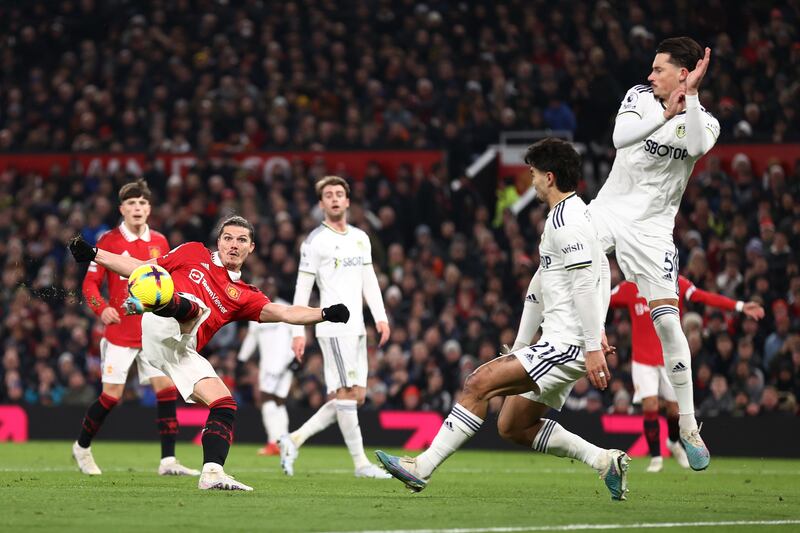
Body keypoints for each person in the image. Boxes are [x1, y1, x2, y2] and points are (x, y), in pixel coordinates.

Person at [376, 138, 630, 501]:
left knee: (477, 383)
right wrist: (525, 345)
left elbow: (586, 282)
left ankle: (422, 467)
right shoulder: (575, 216)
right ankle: (605, 460)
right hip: (562, 342)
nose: (531, 181)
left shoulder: (567, 222)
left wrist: (592, 344)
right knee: (513, 425)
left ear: (550, 177)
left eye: (533, 174)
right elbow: (553, 282)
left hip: (567, 343)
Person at [68, 215, 350, 491]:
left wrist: (324, 313)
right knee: (192, 306)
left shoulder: (246, 295)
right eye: (228, 238)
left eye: (241, 240)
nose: (233, 245)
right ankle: (155, 302)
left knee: (224, 403)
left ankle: (212, 473)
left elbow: (287, 312)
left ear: (251, 247)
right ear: (219, 241)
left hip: (180, 349)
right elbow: (142, 268)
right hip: (160, 325)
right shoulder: (193, 253)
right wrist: (95, 254)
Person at [587, 37, 720, 470]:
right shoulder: (639, 97)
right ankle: (523, 343)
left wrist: (692, 99)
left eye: (659, 69)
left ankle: (688, 425)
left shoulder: (707, 122)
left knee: (667, 321)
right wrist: (664, 113)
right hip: (609, 210)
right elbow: (619, 136)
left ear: (683, 74)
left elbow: (697, 146)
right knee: (557, 250)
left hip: (653, 233)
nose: (650, 75)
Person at [72, 179, 198, 477]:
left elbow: (169, 284)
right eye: (131, 203)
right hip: (120, 332)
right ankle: (82, 447)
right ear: (122, 209)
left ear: (149, 208)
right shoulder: (108, 241)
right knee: (112, 396)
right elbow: (90, 282)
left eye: (142, 203)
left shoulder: (161, 242)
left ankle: (168, 462)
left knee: (165, 389)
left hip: (153, 328)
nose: (137, 208)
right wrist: (102, 308)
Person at [279, 175, 391, 479]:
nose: (334, 199)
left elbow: (369, 281)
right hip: (333, 327)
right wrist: (297, 331)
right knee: (345, 393)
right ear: (321, 203)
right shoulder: (315, 242)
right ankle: (361, 465)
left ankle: (293, 439)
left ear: (348, 200)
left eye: (339, 193)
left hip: (357, 329)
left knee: (354, 398)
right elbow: (302, 289)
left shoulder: (360, 237)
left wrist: (380, 317)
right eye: (328, 195)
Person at [609, 275, 764, 472]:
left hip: (669, 357)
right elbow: (602, 299)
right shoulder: (630, 286)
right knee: (650, 406)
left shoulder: (672, 279)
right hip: (642, 360)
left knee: (674, 411)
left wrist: (739, 306)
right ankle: (656, 458)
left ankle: (673, 442)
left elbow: (703, 296)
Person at [237, 277, 295, 456]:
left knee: (266, 399)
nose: (269, 289)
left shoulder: (286, 309)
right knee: (277, 401)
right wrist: (241, 359)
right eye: (265, 286)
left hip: (283, 363)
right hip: (267, 364)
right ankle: (283, 441)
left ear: (276, 289)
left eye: (272, 286)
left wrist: (294, 359)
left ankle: (273, 442)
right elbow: (251, 338)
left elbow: (297, 333)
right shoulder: (258, 310)